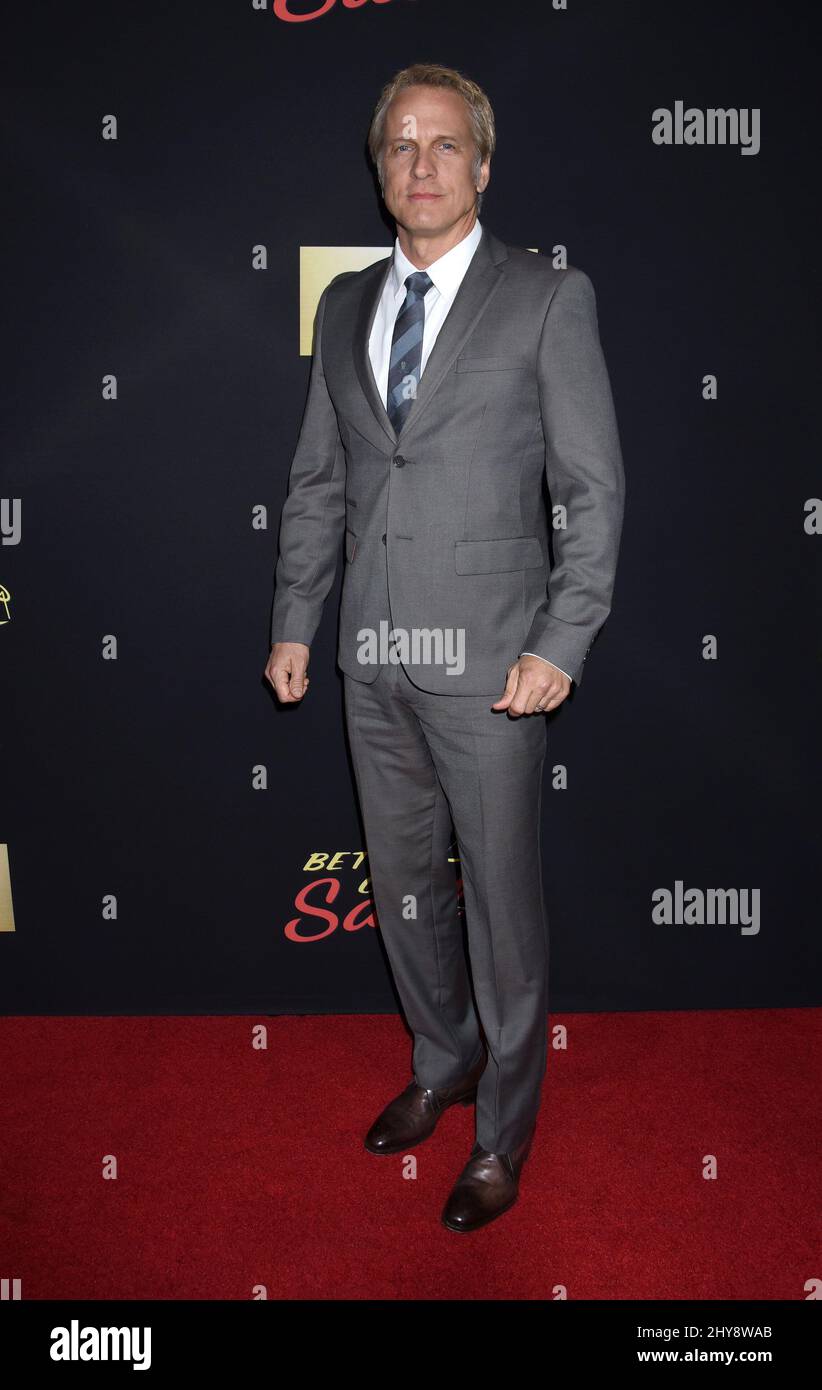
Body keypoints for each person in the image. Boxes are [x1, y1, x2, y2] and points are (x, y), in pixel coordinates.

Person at [265, 62, 625, 1232]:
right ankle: (442, 1060)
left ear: (482, 163)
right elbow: (320, 483)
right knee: (409, 894)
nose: (422, 167)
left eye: (445, 146)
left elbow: (592, 488)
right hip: (371, 661)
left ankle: (501, 1135)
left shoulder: (545, 298)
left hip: (495, 669)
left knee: (503, 912)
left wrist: (561, 638)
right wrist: (293, 622)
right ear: (380, 170)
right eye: (400, 148)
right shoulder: (344, 309)